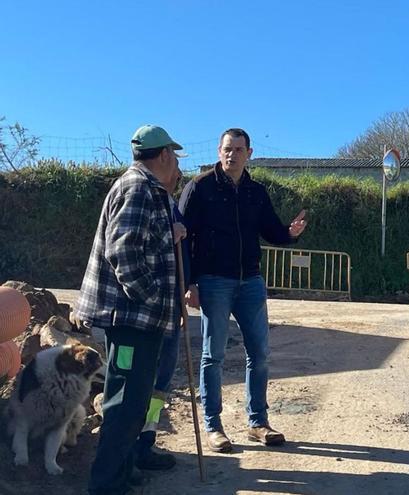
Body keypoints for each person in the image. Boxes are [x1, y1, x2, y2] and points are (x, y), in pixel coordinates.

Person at [179, 128, 307, 453]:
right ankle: (213, 426)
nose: (231, 154)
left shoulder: (256, 192)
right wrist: (188, 283)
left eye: (238, 149)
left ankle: (258, 423)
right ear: (219, 151)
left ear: (249, 152)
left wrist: (290, 234)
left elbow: (271, 230)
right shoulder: (200, 188)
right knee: (213, 356)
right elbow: (182, 238)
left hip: (251, 282)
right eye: (226, 149)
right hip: (214, 281)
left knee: (260, 354)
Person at [75, 125, 184, 495]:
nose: (176, 165)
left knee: (133, 402)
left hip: (138, 319)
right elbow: (123, 252)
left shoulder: (144, 189)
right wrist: (152, 297)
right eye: (175, 157)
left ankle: (120, 472)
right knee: (124, 405)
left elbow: (141, 241)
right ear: (165, 154)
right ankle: (106, 484)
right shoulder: (138, 188)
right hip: (131, 320)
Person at [132, 168, 188, 472]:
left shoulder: (171, 205)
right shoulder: (145, 199)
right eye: (176, 168)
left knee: (160, 386)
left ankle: (147, 440)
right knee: (140, 384)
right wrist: (171, 233)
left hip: (171, 312)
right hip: (148, 314)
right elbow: (133, 250)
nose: (179, 174)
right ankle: (128, 447)